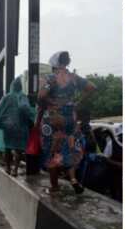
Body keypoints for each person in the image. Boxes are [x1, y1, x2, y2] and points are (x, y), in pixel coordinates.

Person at [38, 51, 95, 195]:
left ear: (54, 65)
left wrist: (51, 103)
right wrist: (76, 102)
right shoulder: (73, 77)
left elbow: (41, 96)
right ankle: (74, 180)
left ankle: (54, 186)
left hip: (53, 118)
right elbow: (92, 87)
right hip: (70, 117)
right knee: (68, 148)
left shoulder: (50, 78)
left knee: (52, 150)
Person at [0, 78, 34, 176]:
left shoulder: (6, 97)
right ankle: (15, 169)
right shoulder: (23, 96)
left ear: (12, 86)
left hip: (9, 127)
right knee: (18, 149)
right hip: (21, 127)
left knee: (8, 147)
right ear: (21, 86)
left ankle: (8, 167)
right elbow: (26, 108)